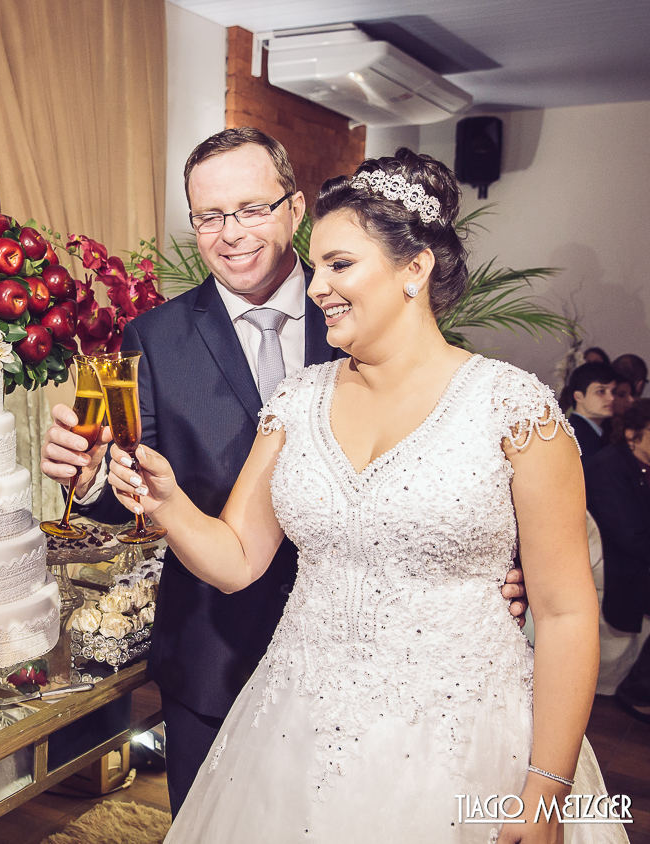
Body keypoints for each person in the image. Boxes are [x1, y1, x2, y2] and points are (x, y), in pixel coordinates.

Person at [105, 150, 622, 842]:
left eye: (341, 265)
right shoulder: (297, 402)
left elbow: (563, 613)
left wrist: (545, 789)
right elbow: (235, 559)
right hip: (295, 730)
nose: (317, 287)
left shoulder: (511, 410)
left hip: (464, 735)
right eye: (317, 267)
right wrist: (165, 501)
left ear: (415, 268)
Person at [39, 129, 529, 817]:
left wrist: (494, 567)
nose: (229, 233)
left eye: (250, 208)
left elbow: (454, 465)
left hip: (402, 679)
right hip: (215, 653)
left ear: (294, 207)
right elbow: (137, 486)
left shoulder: (374, 311)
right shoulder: (155, 337)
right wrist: (93, 478)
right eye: (209, 216)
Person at [584, 399, 650, 724]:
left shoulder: (641, 465)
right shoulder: (608, 467)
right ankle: (637, 690)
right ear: (631, 434)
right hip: (613, 564)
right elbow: (629, 536)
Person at [560, 361, 619, 460]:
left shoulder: (599, 431)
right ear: (578, 396)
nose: (611, 398)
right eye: (601, 391)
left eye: (613, 391)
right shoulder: (577, 436)